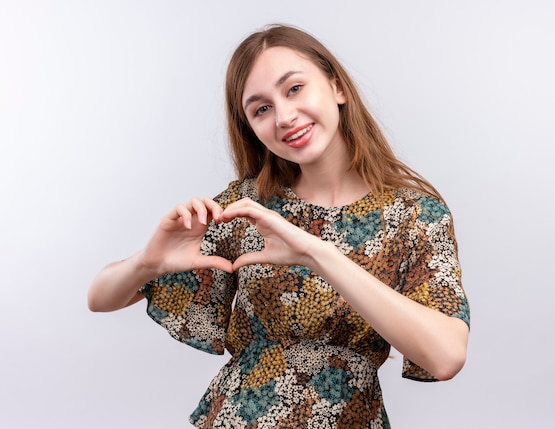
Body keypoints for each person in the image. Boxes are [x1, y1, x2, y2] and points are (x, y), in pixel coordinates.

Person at [88, 24, 470, 429]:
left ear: (337, 87)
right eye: (261, 109)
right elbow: (99, 297)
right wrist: (147, 263)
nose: (285, 117)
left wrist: (316, 254)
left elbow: (446, 356)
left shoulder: (414, 215)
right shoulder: (249, 206)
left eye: (294, 89)